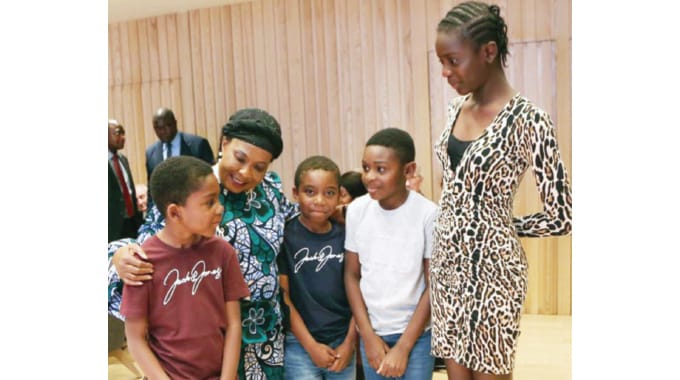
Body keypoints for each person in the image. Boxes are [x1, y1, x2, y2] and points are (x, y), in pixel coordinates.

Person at [430, 2, 572, 379]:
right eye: (441, 61)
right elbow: (454, 188)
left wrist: (503, 226)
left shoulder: (530, 120)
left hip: (494, 273)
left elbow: (562, 217)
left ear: (488, 52)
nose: (445, 72)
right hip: (447, 268)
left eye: (453, 61)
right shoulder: (453, 110)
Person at [108, 108, 299, 380]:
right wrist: (119, 255)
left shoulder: (270, 192)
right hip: (201, 349)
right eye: (240, 158)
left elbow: (295, 216)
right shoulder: (190, 186)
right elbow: (149, 246)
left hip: (264, 335)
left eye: (259, 167)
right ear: (224, 143)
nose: (246, 173)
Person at [121, 156, 250, 380]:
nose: (220, 209)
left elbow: (234, 324)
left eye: (218, 199)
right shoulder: (142, 261)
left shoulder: (223, 253)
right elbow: (135, 338)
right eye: (209, 202)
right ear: (174, 212)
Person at [344, 128, 437, 380]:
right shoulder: (356, 211)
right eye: (365, 168)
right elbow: (352, 276)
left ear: (408, 170)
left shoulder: (428, 214)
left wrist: (404, 347)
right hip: (372, 332)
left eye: (380, 169)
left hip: (416, 336)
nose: (369, 177)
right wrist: (368, 336)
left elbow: (433, 285)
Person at [277, 155, 357, 380]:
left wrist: (349, 343)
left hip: (342, 341)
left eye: (329, 193)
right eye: (310, 192)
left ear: (340, 194)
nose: (320, 200)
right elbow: (284, 297)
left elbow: (359, 291)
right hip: (300, 343)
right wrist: (311, 346)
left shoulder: (347, 235)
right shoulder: (285, 236)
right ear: (295, 193)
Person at [108, 119, 145, 353]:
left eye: (123, 132)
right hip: (109, 231)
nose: (122, 137)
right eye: (118, 132)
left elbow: (128, 192)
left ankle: (129, 333)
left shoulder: (122, 159)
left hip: (130, 227)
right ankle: (113, 337)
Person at [145, 107, 215, 183]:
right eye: (158, 128)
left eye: (167, 126)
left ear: (175, 123)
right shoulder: (151, 154)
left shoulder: (198, 145)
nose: (163, 131)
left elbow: (210, 179)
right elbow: (151, 187)